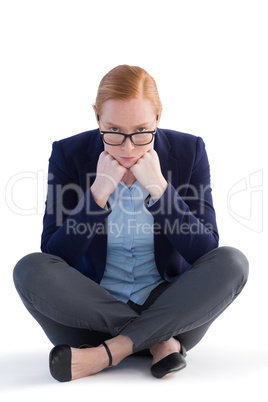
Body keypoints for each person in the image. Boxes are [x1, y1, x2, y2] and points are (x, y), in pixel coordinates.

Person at [13, 64, 249, 382]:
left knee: (233, 262)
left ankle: (104, 355)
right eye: (113, 131)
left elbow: (205, 252)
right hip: (92, 315)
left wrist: (161, 191)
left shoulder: (189, 151)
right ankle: (159, 342)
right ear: (97, 117)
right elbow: (55, 255)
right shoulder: (68, 154)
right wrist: (97, 195)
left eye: (141, 131)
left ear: (158, 118)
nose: (127, 147)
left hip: (171, 304)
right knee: (29, 268)